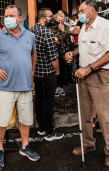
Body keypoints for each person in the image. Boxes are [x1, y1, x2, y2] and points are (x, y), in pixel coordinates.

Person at [0, 5, 40, 168]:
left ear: (20, 18)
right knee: (1, 121)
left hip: (25, 87)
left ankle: (25, 147)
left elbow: (33, 53)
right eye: (6, 16)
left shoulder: (29, 36)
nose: (8, 19)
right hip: (5, 88)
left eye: (12, 16)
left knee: (25, 120)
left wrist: (32, 71)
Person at [65, 0, 109, 168]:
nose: (78, 13)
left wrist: (88, 69)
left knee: (105, 117)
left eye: (81, 10)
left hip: (101, 76)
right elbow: (85, 48)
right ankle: (88, 143)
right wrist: (73, 53)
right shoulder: (84, 27)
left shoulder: (105, 26)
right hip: (83, 76)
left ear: (93, 11)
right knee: (85, 113)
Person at [30, 8, 64, 141]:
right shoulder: (47, 33)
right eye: (50, 16)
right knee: (49, 101)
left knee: (39, 100)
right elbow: (53, 57)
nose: (53, 18)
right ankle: (49, 131)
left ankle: (41, 128)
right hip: (47, 72)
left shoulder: (31, 31)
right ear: (43, 18)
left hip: (36, 72)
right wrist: (57, 71)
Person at [49, 11, 72, 97]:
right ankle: (55, 87)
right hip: (55, 52)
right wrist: (63, 32)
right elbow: (56, 40)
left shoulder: (65, 27)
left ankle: (61, 87)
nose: (60, 23)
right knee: (55, 71)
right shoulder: (52, 28)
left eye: (62, 21)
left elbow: (67, 39)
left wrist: (63, 31)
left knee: (62, 70)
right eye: (58, 21)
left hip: (63, 52)